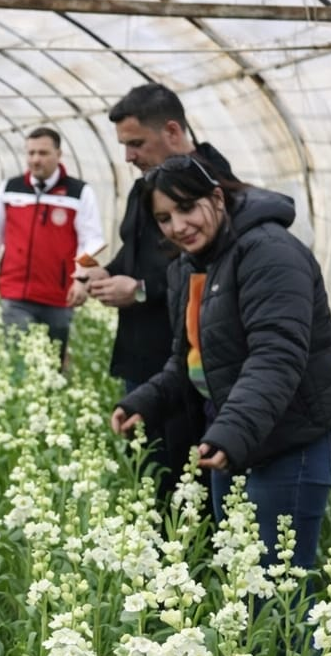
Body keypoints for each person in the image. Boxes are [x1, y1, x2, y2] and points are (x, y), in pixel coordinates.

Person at [109, 156, 331, 572]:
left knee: (279, 584)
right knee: (242, 574)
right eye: (164, 218)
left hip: (289, 438)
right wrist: (143, 402)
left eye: (186, 209)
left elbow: (276, 356)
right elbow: (190, 360)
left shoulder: (270, 253)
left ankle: (301, 643)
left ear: (217, 198)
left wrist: (232, 431)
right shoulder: (191, 266)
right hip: (233, 435)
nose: (178, 227)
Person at [78, 84, 235, 485]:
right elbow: (137, 254)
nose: (128, 156)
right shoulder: (146, 187)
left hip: (186, 366)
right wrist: (104, 275)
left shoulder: (209, 189)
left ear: (171, 131)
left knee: (185, 484)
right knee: (153, 475)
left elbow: (213, 274)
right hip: (147, 359)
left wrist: (141, 290)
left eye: (136, 143)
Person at [0, 127, 104, 365]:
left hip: (58, 295)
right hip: (15, 292)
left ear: (58, 154)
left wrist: (81, 279)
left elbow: (92, 240)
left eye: (43, 153)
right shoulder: (10, 189)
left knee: (52, 363)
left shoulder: (78, 192)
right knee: (18, 362)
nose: (36, 159)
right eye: (31, 153)